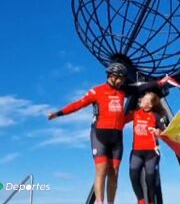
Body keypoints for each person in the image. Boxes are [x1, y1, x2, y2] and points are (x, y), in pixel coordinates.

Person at [48, 63, 169, 204]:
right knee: (102, 169)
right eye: (120, 79)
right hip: (100, 135)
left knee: (114, 172)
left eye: (123, 79)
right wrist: (58, 113)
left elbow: (140, 87)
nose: (122, 82)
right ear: (112, 76)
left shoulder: (122, 91)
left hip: (116, 137)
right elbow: (78, 104)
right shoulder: (97, 91)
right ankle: (99, 202)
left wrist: (159, 83)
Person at [126, 92, 168, 204]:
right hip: (137, 152)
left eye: (145, 100)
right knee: (133, 175)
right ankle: (141, 201)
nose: (141, 100)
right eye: (142, 98)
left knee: (150, 180)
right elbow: (122, 119)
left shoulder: (156, 116)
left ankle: (151, 202)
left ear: (150, 105)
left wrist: (158, 132)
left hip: (152, 153)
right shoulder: (135, 114)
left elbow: (165, 132)